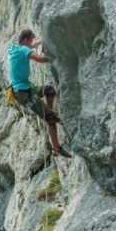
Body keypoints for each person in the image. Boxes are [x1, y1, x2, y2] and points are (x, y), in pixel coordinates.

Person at [8, 29, 72, 158]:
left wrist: (42, 41)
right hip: (23, 94)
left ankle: (48, 111)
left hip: (24, 89)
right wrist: (56, 56)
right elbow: (40, 59)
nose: (32, 43)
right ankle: (57, 148)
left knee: (49, 90)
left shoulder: (15, 49)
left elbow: (32, 46)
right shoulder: (23, 51)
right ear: (26, 40)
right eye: (31, 40)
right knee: (51, 120)